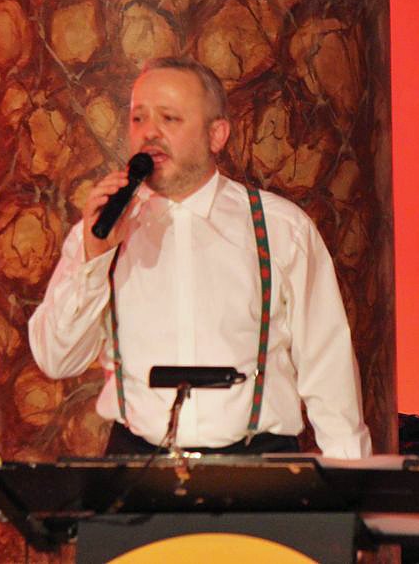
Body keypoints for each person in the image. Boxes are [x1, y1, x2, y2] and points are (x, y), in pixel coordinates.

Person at [28, 57, 372, 459]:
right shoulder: (102, 232)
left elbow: (327, 366)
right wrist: (93, 258)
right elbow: (57, 359)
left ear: (216, 134)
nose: (149, 133)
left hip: (256, 465)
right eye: (138, 118)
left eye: (169, 118)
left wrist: (351, 479)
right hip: (138, 467)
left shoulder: (279, 228)